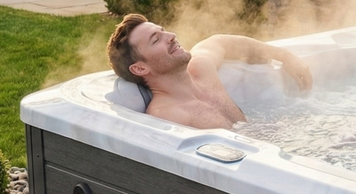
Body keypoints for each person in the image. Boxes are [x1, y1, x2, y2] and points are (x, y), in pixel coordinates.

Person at [106, 13, 312, 129]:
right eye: (156, 39)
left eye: (163, 30)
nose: (170, 35)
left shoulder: (201, 69)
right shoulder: (168, 116)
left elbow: (221, 42)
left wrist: (284, 55)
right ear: (140, 68)